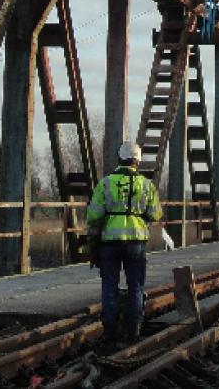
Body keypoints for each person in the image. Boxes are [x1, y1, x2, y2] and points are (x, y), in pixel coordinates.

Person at [86, 141, 162, 347]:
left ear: (120, 158)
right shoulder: (147, 185)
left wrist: (92, 241)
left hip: (109, 242)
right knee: (135, 286)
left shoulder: (106, 183)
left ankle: (110, 333)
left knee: (109, 286)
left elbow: (93, 216)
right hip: (136, 242)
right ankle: (133, 331)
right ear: (137, 161)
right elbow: (155, 214)